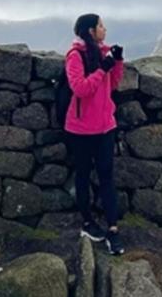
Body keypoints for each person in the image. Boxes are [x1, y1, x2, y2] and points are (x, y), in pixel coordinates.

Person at [64, 13, 125, 255]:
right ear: (91, 31)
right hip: (80, 129)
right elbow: (80, 89)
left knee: (107, 176)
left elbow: (113, 85)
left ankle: (113, 229)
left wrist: (116, 62)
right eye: (100, 26)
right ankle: (88, 222)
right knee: (83, 174)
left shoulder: (103, 53)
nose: (104, 29)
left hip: (105, 126)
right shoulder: (75, 56)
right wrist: (102, 68)